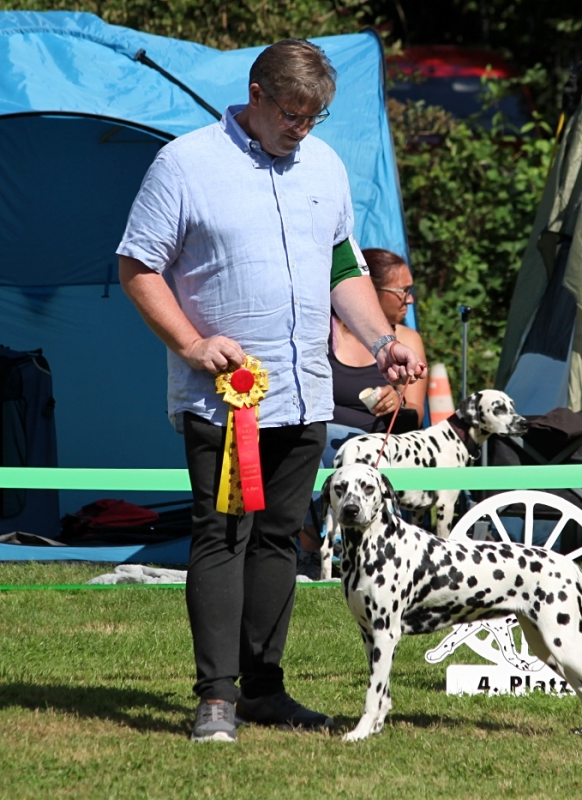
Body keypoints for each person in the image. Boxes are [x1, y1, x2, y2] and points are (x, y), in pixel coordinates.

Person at [117, 39, 425, 743]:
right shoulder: (185, 164)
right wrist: (193, 346)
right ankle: (215, 699)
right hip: (223, 396)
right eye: (291, 115)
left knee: (281, 540)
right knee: (223, 536)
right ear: (256, 93)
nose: (302, 130)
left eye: (314, 119)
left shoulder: (325, 164)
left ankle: (265, 689)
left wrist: (381, 341)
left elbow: (342, 263)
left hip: (306, 392)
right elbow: (138, 266)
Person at [325, 247, 428, 463]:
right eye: (403, 291)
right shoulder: (322, 331)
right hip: (324, 449)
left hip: (378, 455)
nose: (410, 300)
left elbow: (415, 413)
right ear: (370, 291)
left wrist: (398, 401)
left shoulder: (408, 340)